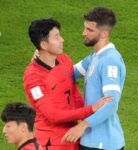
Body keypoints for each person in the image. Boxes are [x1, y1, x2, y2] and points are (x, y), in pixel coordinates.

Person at [23, 18, 112, 150]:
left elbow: (74, 94)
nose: (62, 40)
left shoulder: (64, 60)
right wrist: (91, 108)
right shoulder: (33, 78)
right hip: (51, 143)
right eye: (56, 37)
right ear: (44, 45)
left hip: (74, 137)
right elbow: (52, 115)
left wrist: (88, 119)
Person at [62, 7, 126, 150]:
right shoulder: (94, 57)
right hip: (91, 140)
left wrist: (82, 125)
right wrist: (42, 58)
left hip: (103, 143)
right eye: (85, 28)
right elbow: (68, 74)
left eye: (89, 30)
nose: (83, 33)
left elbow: (111, 103)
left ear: (104, 33)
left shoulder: (110, 61)